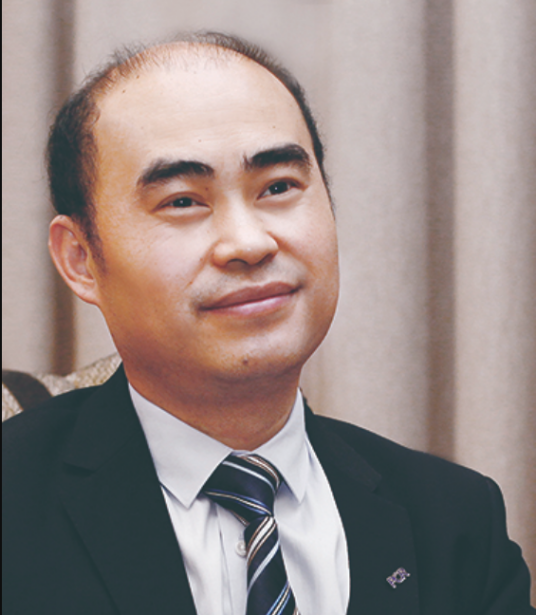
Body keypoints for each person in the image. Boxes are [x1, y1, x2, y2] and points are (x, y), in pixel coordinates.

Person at [2, 32, 533, 615]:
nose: (249, 243)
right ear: (81, 260)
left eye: (279, 187)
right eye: (182, 200)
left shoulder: (456, 521)